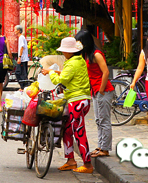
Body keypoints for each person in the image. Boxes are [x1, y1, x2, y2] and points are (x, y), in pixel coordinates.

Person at [40, 37, 93, 174]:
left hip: (77, 101)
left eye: (64, 51)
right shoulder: (79, 61)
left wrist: (51, 73)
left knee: (79, 132)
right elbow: (67, 74)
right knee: (68, 130)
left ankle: (87, 164)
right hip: (81, 100)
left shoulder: (71, 64)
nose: (63, 53)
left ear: (70, 52)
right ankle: (70, 160)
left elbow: (61, 80)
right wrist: (54, 71)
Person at [75, 29, 113, 158]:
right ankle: (101, 146)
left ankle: (105, 148)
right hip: (96, 91)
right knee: (98, 120)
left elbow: (106, 72)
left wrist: (101, 89)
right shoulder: (87, 55)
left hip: (103, 91)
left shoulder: (97, 54)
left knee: (104, 120)